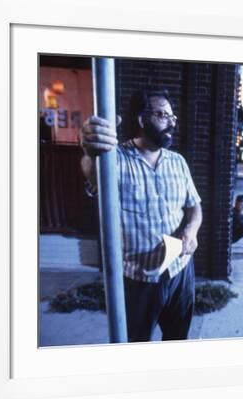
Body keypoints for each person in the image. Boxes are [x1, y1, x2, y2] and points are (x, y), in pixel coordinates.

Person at [80, 88, 203, 343]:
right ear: (141, 119)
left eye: (173, 117)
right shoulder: (115, 159)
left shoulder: (178, 161)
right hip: (138, 279)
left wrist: (190, 231)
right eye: (163, 115)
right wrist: (91, 152)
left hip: (180, 271)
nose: (171, 122)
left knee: (178, 338)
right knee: (136, 344)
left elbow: (194, 207)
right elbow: (91, 173)